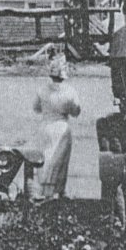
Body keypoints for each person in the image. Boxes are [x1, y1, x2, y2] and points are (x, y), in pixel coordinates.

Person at [29, 45, 82, 204]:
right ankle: (60, 190)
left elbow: (36, 108)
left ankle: (46, 191)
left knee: (46, 158)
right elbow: (76, 112)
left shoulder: (42, 90)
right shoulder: (70, 91)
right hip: (61, 126)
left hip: (46, 125)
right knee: (61, 160)